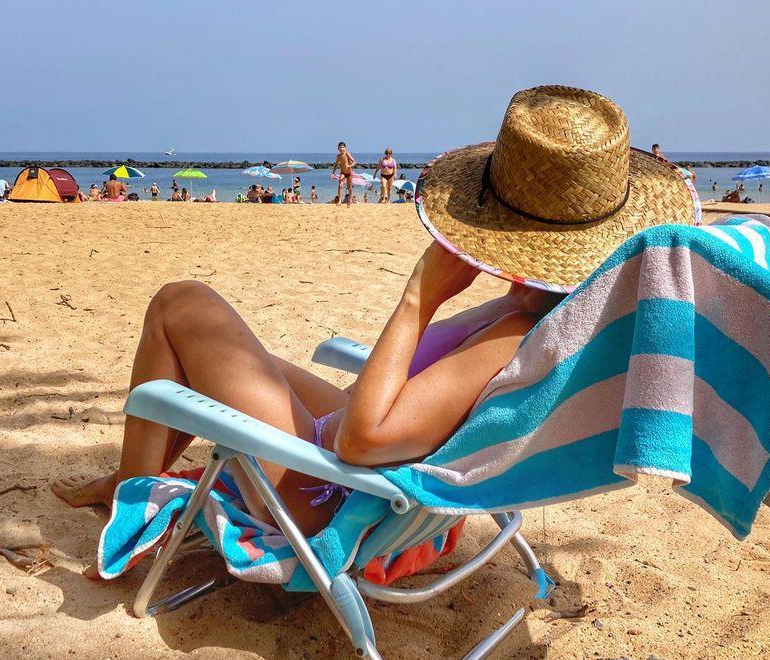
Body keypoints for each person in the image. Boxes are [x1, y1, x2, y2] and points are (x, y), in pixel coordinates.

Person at [51, 85, 700, 545]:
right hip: (350, 462)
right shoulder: (541, 309)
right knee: (235, 353)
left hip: (322, 492)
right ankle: (132, 475)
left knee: (181, 302)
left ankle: (132, 497)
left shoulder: (513, 338)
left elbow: (362, 441)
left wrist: (421, 294)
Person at [333, 141, 356, 207]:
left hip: (349, 173)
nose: (341, 149)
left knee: (349, 188)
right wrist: (333, 173)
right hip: (342, 172)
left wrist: (350, 166)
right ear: (338, 148)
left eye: (343, 147)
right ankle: (340, 201)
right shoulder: (338, 156)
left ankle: (350, 200)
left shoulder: (347, 154)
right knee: (340, 185)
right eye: (340, 147)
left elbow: (354, 162)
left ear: (345, 148)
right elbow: (336, 165)